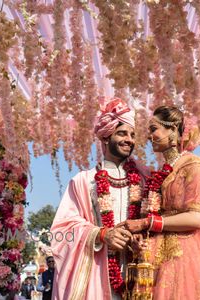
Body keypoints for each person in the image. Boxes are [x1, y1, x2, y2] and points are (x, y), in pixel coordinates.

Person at [121, 106, 200, 299]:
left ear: (173, 130)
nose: (149, 136)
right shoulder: (165, 170)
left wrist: (147, 223)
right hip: (157, 256)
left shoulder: (194, 166)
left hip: (184, 256)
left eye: (154, 129)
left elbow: (196, 218)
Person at [50, 98, 148, 299]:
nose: (129, 139)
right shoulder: (83, 181)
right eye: (122, 133)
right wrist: (101, 234)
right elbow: (60, 233)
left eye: (132, 135)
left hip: (141, 279)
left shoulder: (146, 180)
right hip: (96, 279)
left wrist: (143, 239)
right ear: (106, 137)